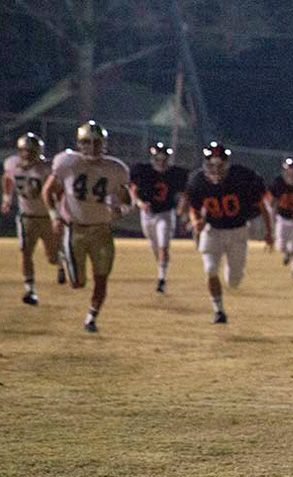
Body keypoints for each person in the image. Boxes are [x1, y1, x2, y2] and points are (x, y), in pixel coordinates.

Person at [41, 121, 130, 332]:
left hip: (101, 230)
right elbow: (48, 192)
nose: (92, 147)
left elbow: (126, 200)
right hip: (75, 230)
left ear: (104, 144)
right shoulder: (67, 163)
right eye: (86, 142)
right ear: (79, 144)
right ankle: (64, 258)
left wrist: (121, 210)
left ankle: (91, 317)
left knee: (102, 278)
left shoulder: (115, 168)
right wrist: (55, 217)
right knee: (77, 283)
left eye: (96, 143)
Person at [186, 142, 272, 324]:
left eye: (220, 165)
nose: (216, 170)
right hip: (212, 230)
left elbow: (262, 205)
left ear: (227, 164)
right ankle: (218, 311)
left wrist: (269, 232)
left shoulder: (242, 177)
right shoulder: (197, 181)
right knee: (209, 270)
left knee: (234, 280)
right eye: (212, 165)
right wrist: (196, 222)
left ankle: (228, 282)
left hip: (237, 231)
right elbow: (193, 208)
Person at [2, 132, 65, 305]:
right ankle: (30, 290)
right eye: (25, 151)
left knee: (51, 257)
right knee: (25, 252)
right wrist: (7, 198)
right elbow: (7, 177)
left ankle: (61, 263)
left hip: (45, 217)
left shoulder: (46, 169)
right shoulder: (12, 163)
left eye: (31, 151)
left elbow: (58, 191)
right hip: (26, 216)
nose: (28, 155)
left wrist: (57, 214)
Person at [128, 141, 189, 294]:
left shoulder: (174, 174)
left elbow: (184, 194)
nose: (161, 162)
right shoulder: (144, 171)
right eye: (158, 159)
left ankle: (161, 279)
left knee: (163, 246)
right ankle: (161, 268)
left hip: (165, 214)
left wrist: (182, 210)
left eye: (164, 159)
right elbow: (133, 189)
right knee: (155, 245)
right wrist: (141, 204)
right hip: (147, 214)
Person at [266, 158, 293, 280]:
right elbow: (272, 202)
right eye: (290, 170)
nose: (292, 173)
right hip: (282, 217)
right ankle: (287, 254)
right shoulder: (278, 183)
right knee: (281, 246)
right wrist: (271, 216)